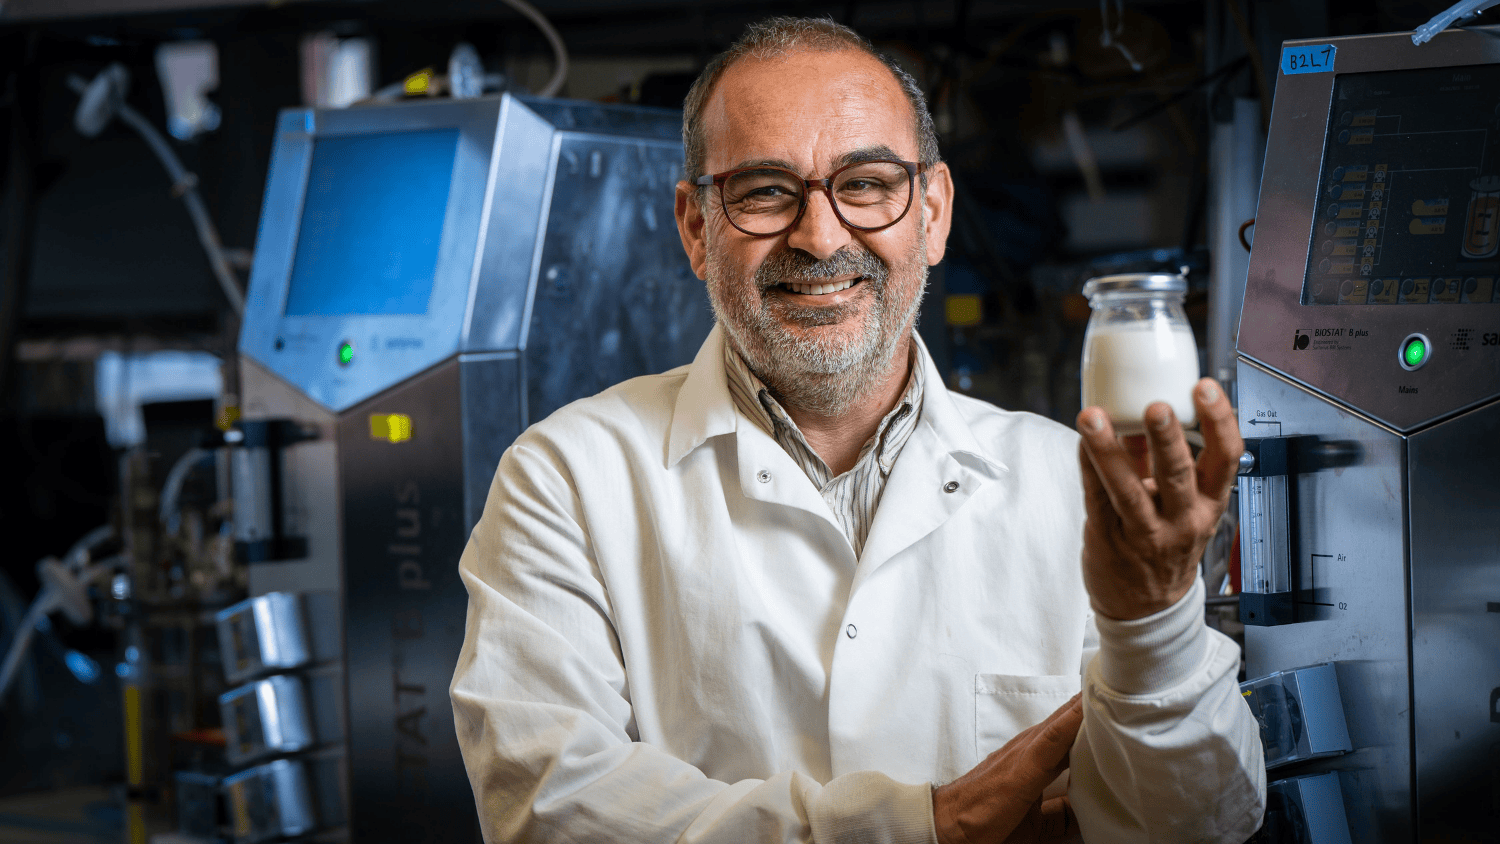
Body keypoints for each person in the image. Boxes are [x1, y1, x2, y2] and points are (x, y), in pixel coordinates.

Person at [451, 16, 1265, 844]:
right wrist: (933, 825)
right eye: (765, 190)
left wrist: (1152, 625)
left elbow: (1200, 825)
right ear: (697, 229)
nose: (821, 235)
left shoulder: (1067, 484)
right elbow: (549, 810)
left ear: (934, 213)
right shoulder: (566, 479)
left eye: (868, 183)